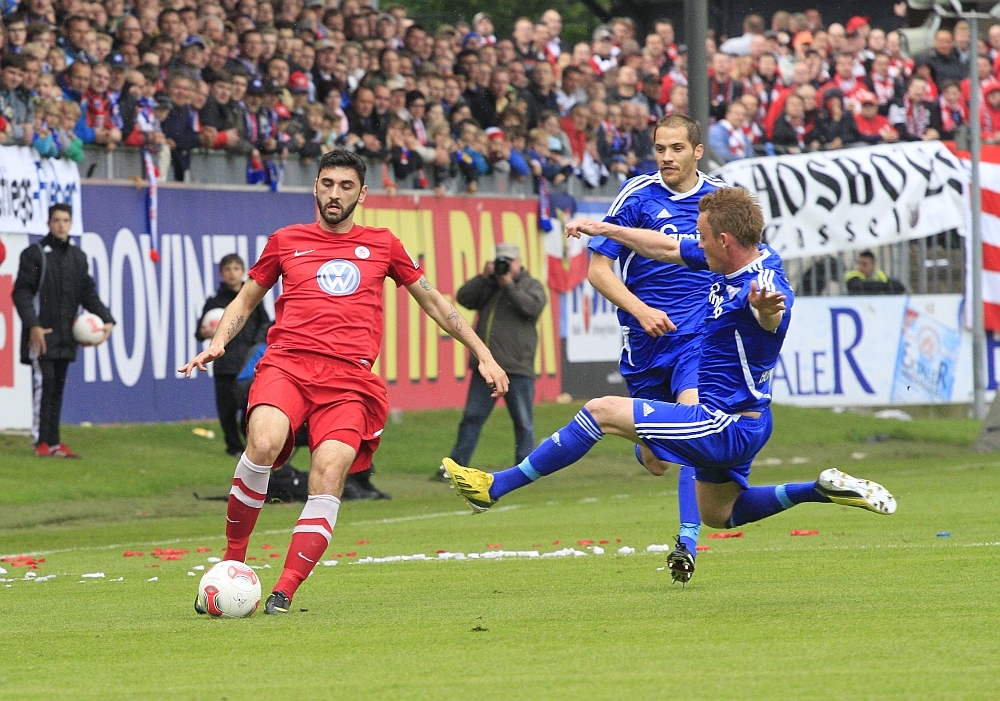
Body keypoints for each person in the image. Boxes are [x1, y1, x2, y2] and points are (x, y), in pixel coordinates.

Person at [446, 188, 896, 583]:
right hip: (749, 421)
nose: (696, 243)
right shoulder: (743, 256)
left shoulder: (760, 286)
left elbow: (771, 317)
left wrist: (766, 311)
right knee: (720, 513)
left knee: (601, 412)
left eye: (701, 236)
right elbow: (663, 247)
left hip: (723, 423)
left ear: (724, 240)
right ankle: (819, 488)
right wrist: (608, 229)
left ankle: (494, 487)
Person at [179, 149, 508, 615]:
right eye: (328, 183)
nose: (335, 194)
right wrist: (219, 343)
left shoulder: (383, 244)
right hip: (288, 366)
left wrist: (484, 353)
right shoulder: (285, 241)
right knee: (263, 443)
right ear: (316, 186)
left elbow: (435, 302)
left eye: (346, 186)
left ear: (362, 193)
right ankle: (232, 562)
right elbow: (246, 299)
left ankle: (284, 591)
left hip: (349, 381)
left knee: (329, 473)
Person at [582, 113, 724, 585]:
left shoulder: (719, 201)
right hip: (645, 343)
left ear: (697, 151)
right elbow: (598, 271)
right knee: (659, 461)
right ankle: (644, 444)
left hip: (698, 339)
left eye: (677, 148)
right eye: (660, 148)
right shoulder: (636, 196)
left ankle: (687, 542)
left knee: (695, 423)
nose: (667, 157)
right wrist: (641, 311)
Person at [13, 204, 115, 458]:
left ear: (71, 224)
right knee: (44, 385)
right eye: (56, 220)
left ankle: (54, 442)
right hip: (41, 335)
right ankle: (41, 441)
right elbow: (21, 292)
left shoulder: (77, 258)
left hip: (67, 336)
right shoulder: (35, 254)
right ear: (48, 223)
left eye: (65, 220)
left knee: (57, 388)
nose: (61, 225)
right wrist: (33, 325)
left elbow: (87, 293)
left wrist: (107, 319)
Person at [438, 242, 547, 481]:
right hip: (486, 368)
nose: (504, 266)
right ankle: (455, 467)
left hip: (517, 367)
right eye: (501, 260)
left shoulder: (531, 285)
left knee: (523, 422)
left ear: (519, 263)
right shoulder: (489, 286)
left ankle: (525, 471)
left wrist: (508, 285)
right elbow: (463, 298)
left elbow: (531, 308)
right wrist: (483, 278)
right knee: (472, 418)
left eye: (508, 261)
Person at [196, 254, 272, 456]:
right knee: (226, 410)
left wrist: (255, 344)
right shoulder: (214, 302)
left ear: (243, 272)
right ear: (221, 273)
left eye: (236, 268)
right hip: (224, 364)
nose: (232, 273)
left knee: (249, 408)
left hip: (248, 364)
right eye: (228, 269)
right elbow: (200, 331)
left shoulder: (252, 299)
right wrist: (205, 333)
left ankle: (250, 445)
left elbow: (265, 324)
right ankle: (234, 447)